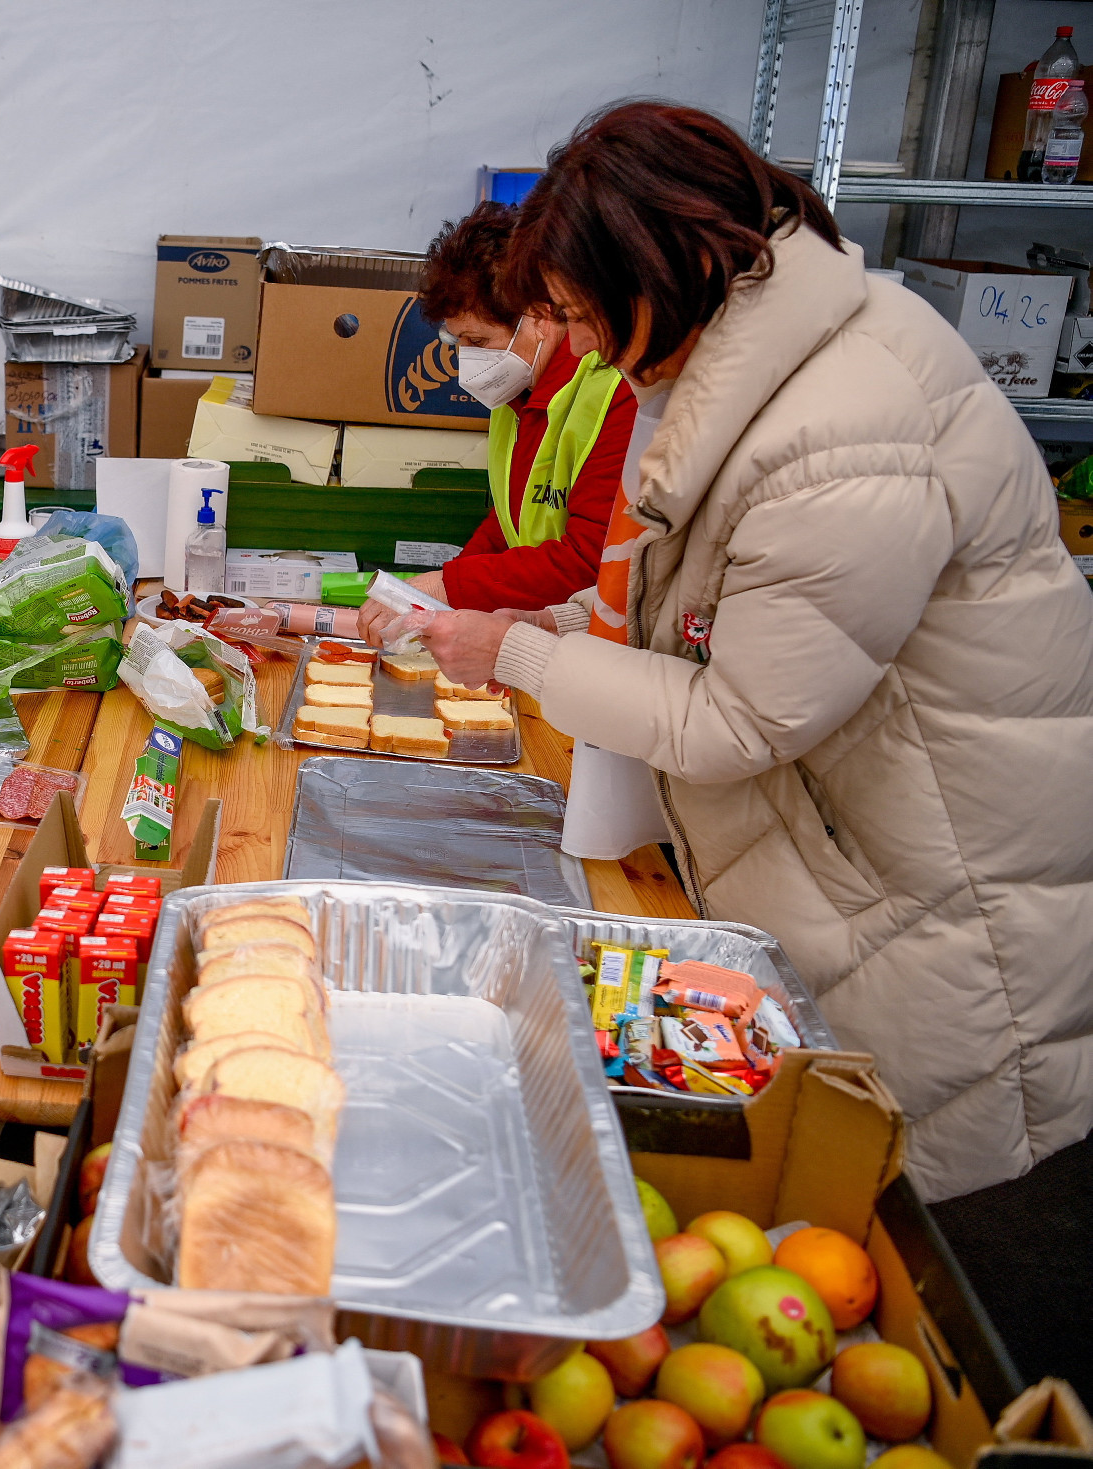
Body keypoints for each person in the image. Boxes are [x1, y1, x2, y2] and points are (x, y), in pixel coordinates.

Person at [410, 104, 1093, 1210]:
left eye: (582, 315)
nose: (574, 349)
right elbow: (676, 591)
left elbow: (741, 717)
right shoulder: (734, 373)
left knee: (905, 1231)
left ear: (660, 275)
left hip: (933, 885)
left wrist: (522, 651)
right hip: (863, 849)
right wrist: (576, 617)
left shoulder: (842, 425)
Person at [356, 201, 636, 642]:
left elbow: (591, 559)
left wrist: (450, 586)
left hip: (596, 639)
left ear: (540, 316)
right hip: (540, 629)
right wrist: (443, 587)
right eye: (459, 341)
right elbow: (509, 524)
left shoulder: (614, 392)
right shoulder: (516, 393)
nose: (468, 359)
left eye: (479, 340)